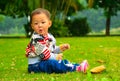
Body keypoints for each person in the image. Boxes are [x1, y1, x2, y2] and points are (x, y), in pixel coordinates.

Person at [25, 8, 89, 74]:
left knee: (62, 62)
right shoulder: (35, 41)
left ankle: (78, 66)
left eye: (43, 22)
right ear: (32, 26)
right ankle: (76, 68)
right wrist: (55, 57)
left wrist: (59, 48)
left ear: (49, 23)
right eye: (36, 23)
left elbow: (51, 49)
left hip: (44, 62)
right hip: (35, 66)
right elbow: (44, 55)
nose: (40, 25)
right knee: (53, 63)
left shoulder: (49, 37)